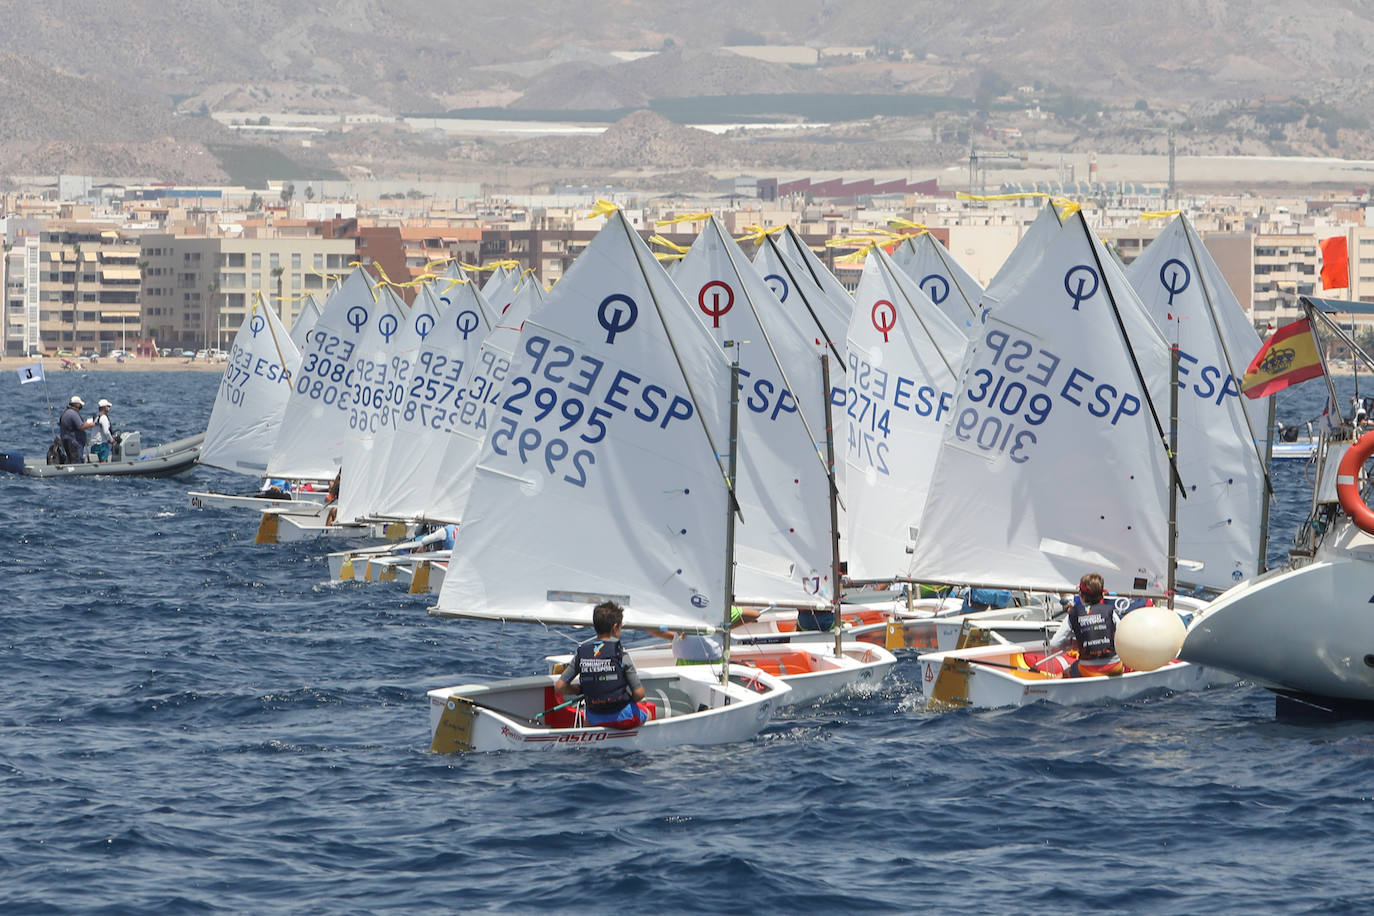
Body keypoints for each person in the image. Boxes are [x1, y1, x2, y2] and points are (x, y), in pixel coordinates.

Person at [554, 601, 655, 728]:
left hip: (596, 719)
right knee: (647, 712)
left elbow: (559, 687)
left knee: (588, 720)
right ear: (615, 627)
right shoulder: (621, 655)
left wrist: (578, 690)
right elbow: (639, 694)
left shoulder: (581, 654)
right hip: (624, 718)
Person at [1046, 572, 1125, 677]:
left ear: (1081, 595)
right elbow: (1123, 637)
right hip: (1115, 667)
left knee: (1063, 674)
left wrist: (1071, 643)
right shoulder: (1110, 612)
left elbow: (1054, 644)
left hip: (1088, 670)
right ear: (1102, 594)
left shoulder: (1074, 613)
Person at [645, 605, 763, 665]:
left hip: (685, 672)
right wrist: (725, 627)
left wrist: (675, 636)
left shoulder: (679, 610)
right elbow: (754, 614)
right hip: (713, 671)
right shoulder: (720, 610)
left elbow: (651, 628)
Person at [58, 395, 94, 464]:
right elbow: (81, 426)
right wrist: (91, 424)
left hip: (66, 440)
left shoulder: (65, 413)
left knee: (71, 459)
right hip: (74, 442)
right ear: (76, 405)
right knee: (76, 460)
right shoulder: (73, 414)